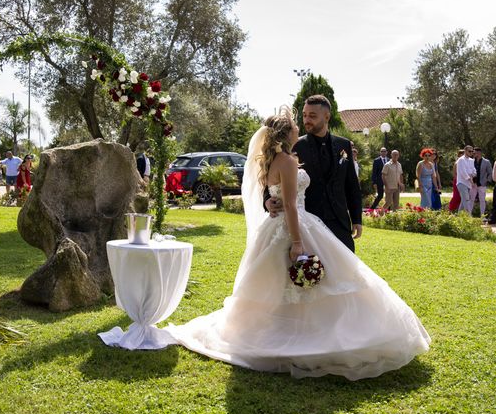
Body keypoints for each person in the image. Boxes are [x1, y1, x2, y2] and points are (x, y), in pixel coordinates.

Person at [166, 108, 431, 380]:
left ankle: (289, 331)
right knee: (307, 284)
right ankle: (303, 336)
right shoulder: (289, 160)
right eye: (295, 123)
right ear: (287, 133)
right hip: (296, 225)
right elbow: (291, 204)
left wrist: (274, 202)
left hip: (286, 226)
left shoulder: (271, 160)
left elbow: (280, 192)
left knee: (281, 287)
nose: (300, 127)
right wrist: (296, 242)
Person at [266, 95, 362, 252]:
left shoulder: (343, 145)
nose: (306, 120)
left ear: (327, 116)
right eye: (304, 115)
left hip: (339, 222)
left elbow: (352, 185)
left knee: (346, 271)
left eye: (312, 116)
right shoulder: (294, 146)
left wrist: (357, 218)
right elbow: (271, 178)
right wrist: (267, 201)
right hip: (307, 224)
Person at [469, 147, 492, 217]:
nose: (473, 154)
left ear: (479, 153)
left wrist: (487, 181)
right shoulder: (471, 161)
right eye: (473, 153)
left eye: (475, 152)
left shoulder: (486, 162)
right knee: (471, 199)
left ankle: (482, 216)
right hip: (473, 184)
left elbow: (490, 172)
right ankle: (469, 215)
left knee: (482, 200)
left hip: (482, 184)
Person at [456, 145, 477, 214]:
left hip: (468, 184)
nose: (471, 152)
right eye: (469, 151)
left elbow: (474, 171)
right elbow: (463, 173)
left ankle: (458, 217)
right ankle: (469, 217)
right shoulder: (461, 160)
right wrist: (471, 181)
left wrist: (472, 175)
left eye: (472, 151)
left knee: (463, 201)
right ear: (465, 151)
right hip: (462, 183)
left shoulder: (471, 160)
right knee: (467, 200)